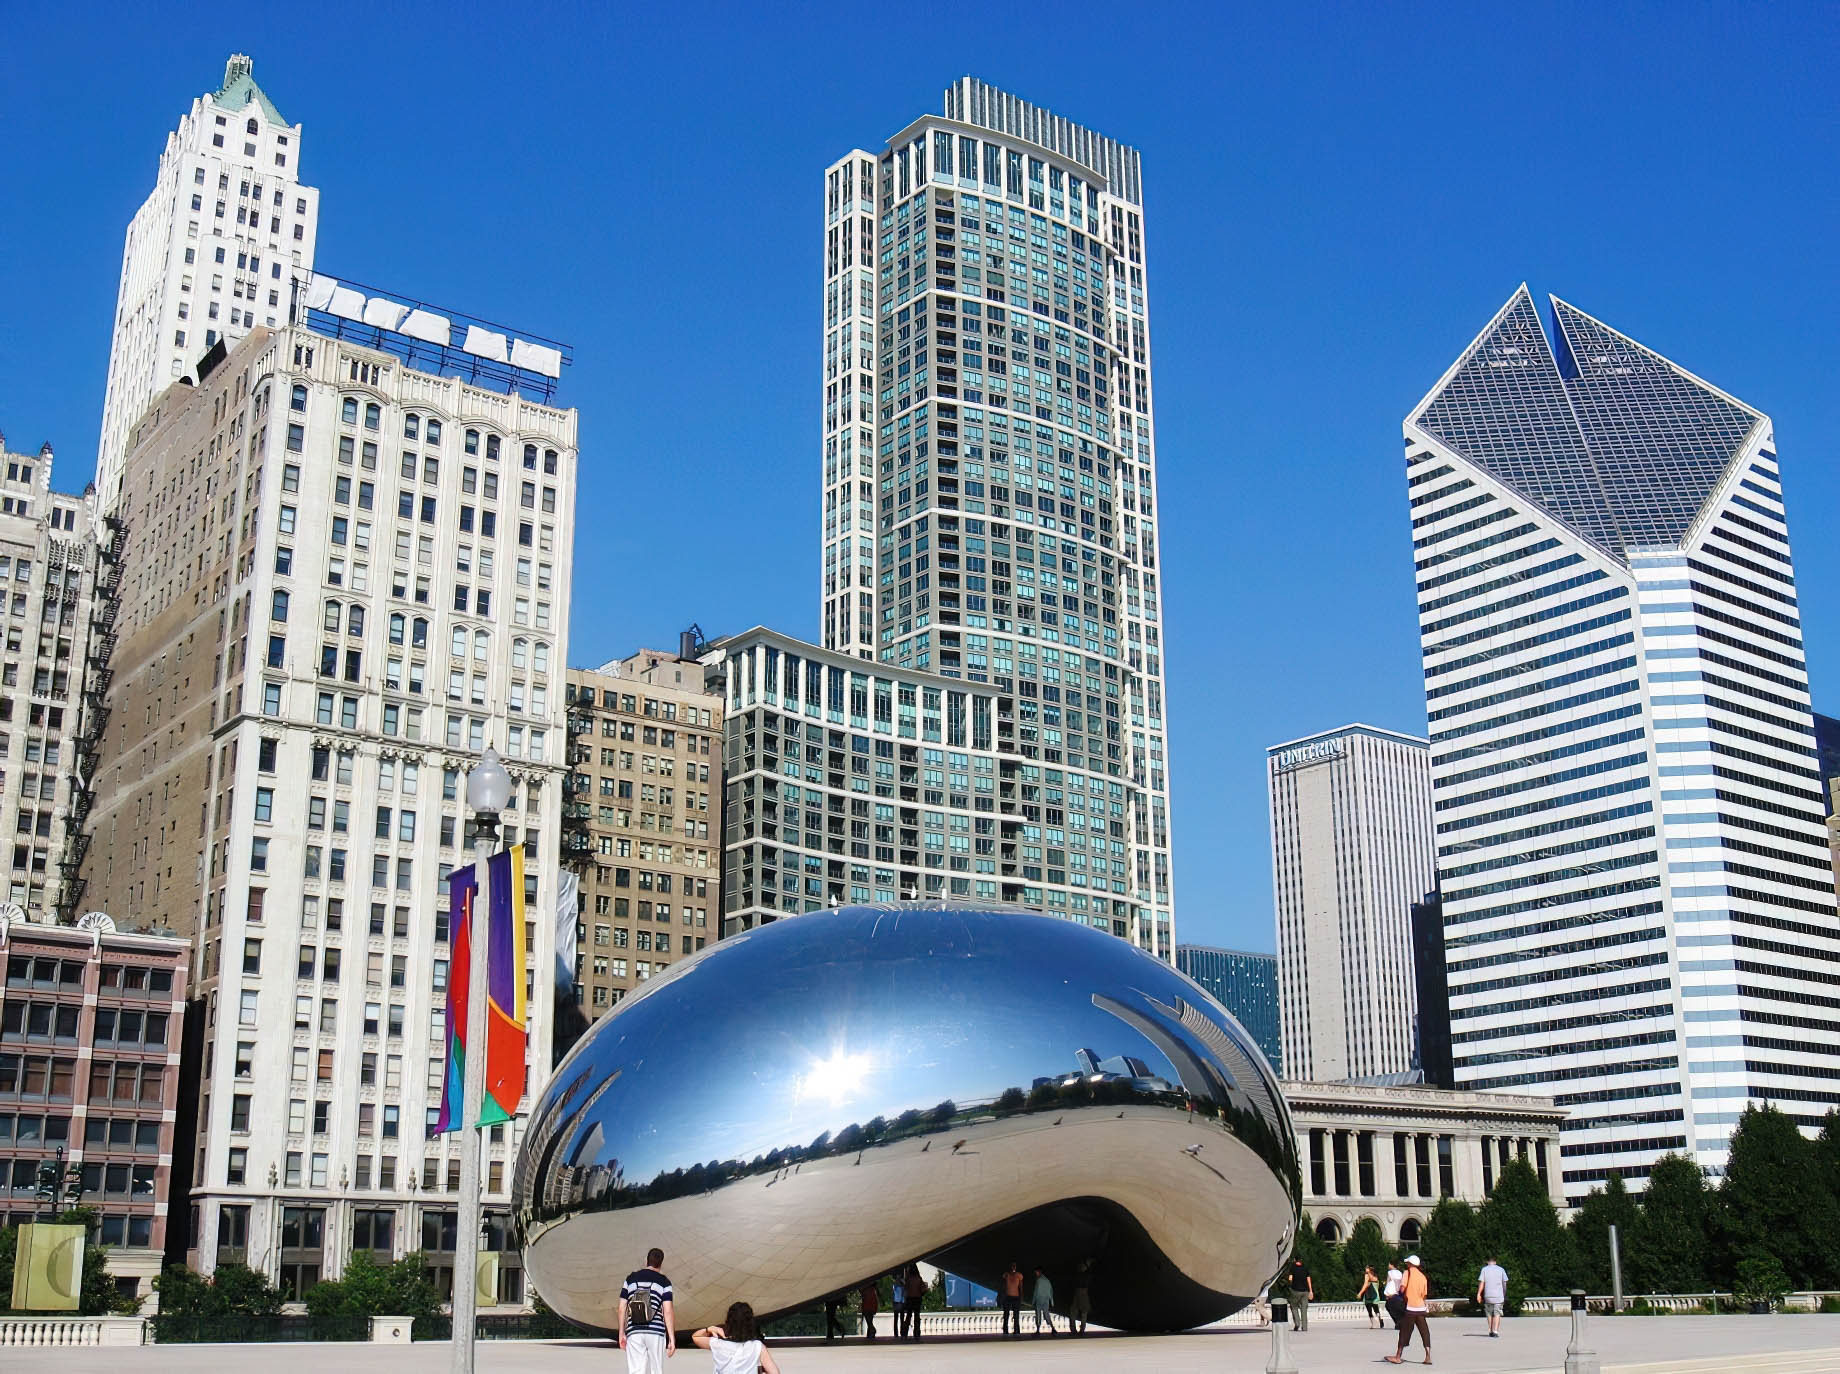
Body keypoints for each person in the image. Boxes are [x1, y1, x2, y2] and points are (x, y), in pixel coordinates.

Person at [618, 1247, 675, 1374]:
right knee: (656, 1370)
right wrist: (671, 1338)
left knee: (636, 1370)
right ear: (661, 1263)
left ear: (646, 1261)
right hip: (656, 1332)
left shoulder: (630, 1279)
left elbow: (622, 1308)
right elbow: (668, 1310)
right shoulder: (664, 1282)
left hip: (634, 1331)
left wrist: (622, 1332)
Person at [691, 1301, 782, 1374]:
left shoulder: (717, 1343)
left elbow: (696, 1336)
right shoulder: (757, 1346)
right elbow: (775, 1372)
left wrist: (709, 1329)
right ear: (750, 1323)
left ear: (728, 1321)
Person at [1385, 1254, 1432, 1365]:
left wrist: (1402, 1296)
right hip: (1421, 1308)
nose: (1406, 1264)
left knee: (1404, 1331)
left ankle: (1398, 1356)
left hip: (1410, 1308)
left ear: (1410, 1264)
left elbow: (1402, 1288)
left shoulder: (1407, 1273)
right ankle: (1428, 1356)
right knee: (1424, 1331)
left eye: (1407, 1263)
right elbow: (1424, 1295)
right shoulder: (1423, 1277)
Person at [1477, 1256, 1508, 1338]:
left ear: (1487, 1262)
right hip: (1499, 1296)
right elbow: (1504, 1283)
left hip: (1488, 1295)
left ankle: (1491, 1330)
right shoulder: (1501, 1269)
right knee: (1497, 1313)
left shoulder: (1484, 1269)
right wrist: (1504, 1293)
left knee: (1489, 1313)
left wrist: (1479, 1294)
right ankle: (1495, 1331)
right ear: (1495, 1262)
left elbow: (1482, 1283)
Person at [1284, 1254, 1313, 1332]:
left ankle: (1297, 1323)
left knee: (1294, 1307)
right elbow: (1309, 1280)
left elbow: (1290, 1279)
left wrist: (1290, 1285)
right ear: (1301, 1260)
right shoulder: (1305, 1268)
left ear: (1295, 1260)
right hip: (1305, 1291)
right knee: (1304, 1309)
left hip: (1295, 1290)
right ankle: (1305, 1327)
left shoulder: (1292, 1268)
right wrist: (1310, 1290)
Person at [1067, 1258, 1093, 1336]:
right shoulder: (1087, 1275)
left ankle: (1075, 1330)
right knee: (1083, 1313)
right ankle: (1080, 1330)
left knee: (1074, 1313)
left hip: (1079, 1293)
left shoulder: (1079, 1274)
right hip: (1083, 1293)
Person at [999, 1262, 1025, 1336]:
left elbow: (1021, 1286)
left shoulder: (1019, 1275)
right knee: (1006, 1314)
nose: (1013, 1267)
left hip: (1016, 1297)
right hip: (1007, 1297)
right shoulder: (1006, 1274)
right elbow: (1003, 1284)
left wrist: (1021, 1296)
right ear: (1010, 1267)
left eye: (1014, 1266)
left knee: (1016, 1315)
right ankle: (1005, 1330)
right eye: (1012, 1266)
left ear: (1016, 1267)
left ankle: (1016, 1330)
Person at [903, 1264, 926, 1342]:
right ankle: (916, 1332)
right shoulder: (919, 1278)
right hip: (917, 1298)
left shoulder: (908, 1279)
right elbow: (923, 1289)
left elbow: (905, 1288)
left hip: (909, 1299)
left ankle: (905, 1332)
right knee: (917, 1315)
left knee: (908, 1316)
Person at [1030, 1267, 1057, 1336]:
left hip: (1039, 1299)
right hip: (1046, 1300)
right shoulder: (1047, 1280)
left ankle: (1038, 1330)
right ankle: (1053, 1328)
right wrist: (1052, 1301)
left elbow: (1036, 1292)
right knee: (1047, 1314)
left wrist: (1033, 1302)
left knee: (1038, 1315)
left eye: (1036, 1272)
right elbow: (1051, 1291)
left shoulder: (1038, 1280)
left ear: (1038, 1272)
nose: (1035, 1274)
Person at [1384, 1258, 1407, 1330]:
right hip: (1397, 1294)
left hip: (1390, 1294)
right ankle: (1399, 1323)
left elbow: (1388, 1283)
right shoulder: (1400, 1273)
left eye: (1389, 1264)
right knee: (1396, 1309)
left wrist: (1386, 1292)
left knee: (1389, 1308)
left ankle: (1398, 1323)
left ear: (1391, 1265)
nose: (1388, 1265)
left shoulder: (1390, 1273)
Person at [891, 1271, 908, 1340]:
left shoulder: (896, 1284)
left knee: (898, 1319)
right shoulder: (897, 1284)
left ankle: (898, 1333)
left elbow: (894, 1293)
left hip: (898, 1302)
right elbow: (905, 1293)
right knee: (899, 1319)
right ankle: (899, 1333)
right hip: (899, 1302)